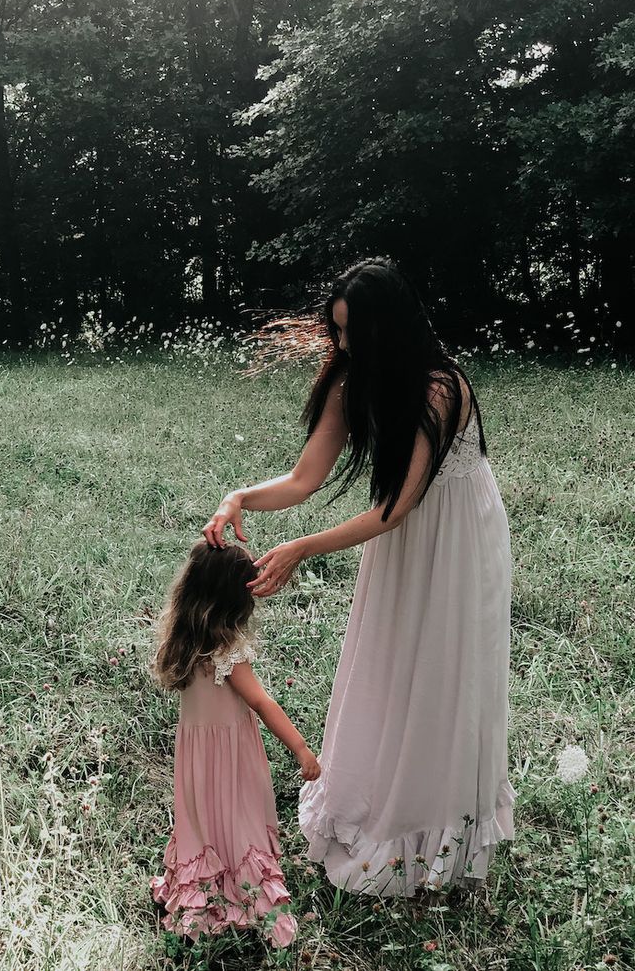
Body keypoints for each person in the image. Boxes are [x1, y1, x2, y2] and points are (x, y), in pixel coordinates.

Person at [203, 257, 515, 899]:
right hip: (397, 539)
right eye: (337, 330)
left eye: (353, 332)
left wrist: (302, 549)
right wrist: (240, 496)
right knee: (389, 663)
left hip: (453, 533)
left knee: (443, 672)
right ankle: (374, 802)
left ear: (388, 329)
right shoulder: (351, 379)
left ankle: (433, 823)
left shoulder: (440, 388)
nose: (342, 345)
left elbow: (398, 505)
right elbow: (303, 479)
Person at [149, 538, 321, 947]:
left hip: (196, 758)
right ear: (234, 600)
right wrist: (301, 748)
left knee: (205, 820)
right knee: (238, 819)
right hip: (230, 757)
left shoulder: (184, 639)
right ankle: (250, 900)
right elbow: (262, 703)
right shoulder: (225, 650)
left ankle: (202, 893)